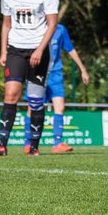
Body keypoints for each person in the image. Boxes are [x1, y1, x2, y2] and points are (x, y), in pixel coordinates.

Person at [0, 0, 58, 156]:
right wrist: (3, 50)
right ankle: (2, 144)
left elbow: (52, 24)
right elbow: (6, 24)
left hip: (38, 51)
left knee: (35, 100)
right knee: (11, 93)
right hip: (15, 50)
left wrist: (39, 49)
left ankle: (34, 147)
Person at [24, 22, 91, 154]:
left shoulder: (60, 29)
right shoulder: (36, 28)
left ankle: (58, 143)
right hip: (38, 72)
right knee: (32, 107)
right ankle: (28, 142)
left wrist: (82, 69)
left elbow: (70, 49)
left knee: (60, 107)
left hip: (55, 74)